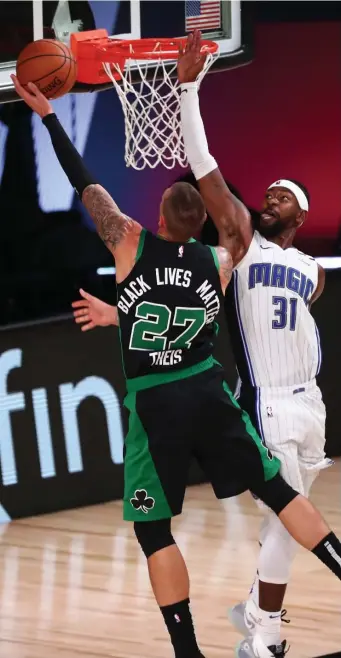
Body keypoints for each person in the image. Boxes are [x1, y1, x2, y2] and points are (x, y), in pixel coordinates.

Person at [12, 71, 341, 658]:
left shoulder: (128, 242)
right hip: (210, 394)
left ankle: (190, 651)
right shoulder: (220, 258)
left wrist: (49, 118)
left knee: (153, 529)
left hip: (157, 403)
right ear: (200, 227)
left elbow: (83, 182)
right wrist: (123, 315)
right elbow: (187, 295)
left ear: (158, 219)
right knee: (282, 495)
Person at [177, 30, 336, 658]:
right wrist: (190, 90)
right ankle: (263, 635)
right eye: (265, 194)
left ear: (299, 215)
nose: (267, 200)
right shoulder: (243, 241)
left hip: (312, 402)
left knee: (286, 518)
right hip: (268, 401)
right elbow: (206, 168)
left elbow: (313, 292)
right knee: (285, 516)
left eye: (280, 198)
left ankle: (255, 603)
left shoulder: (312, 269)